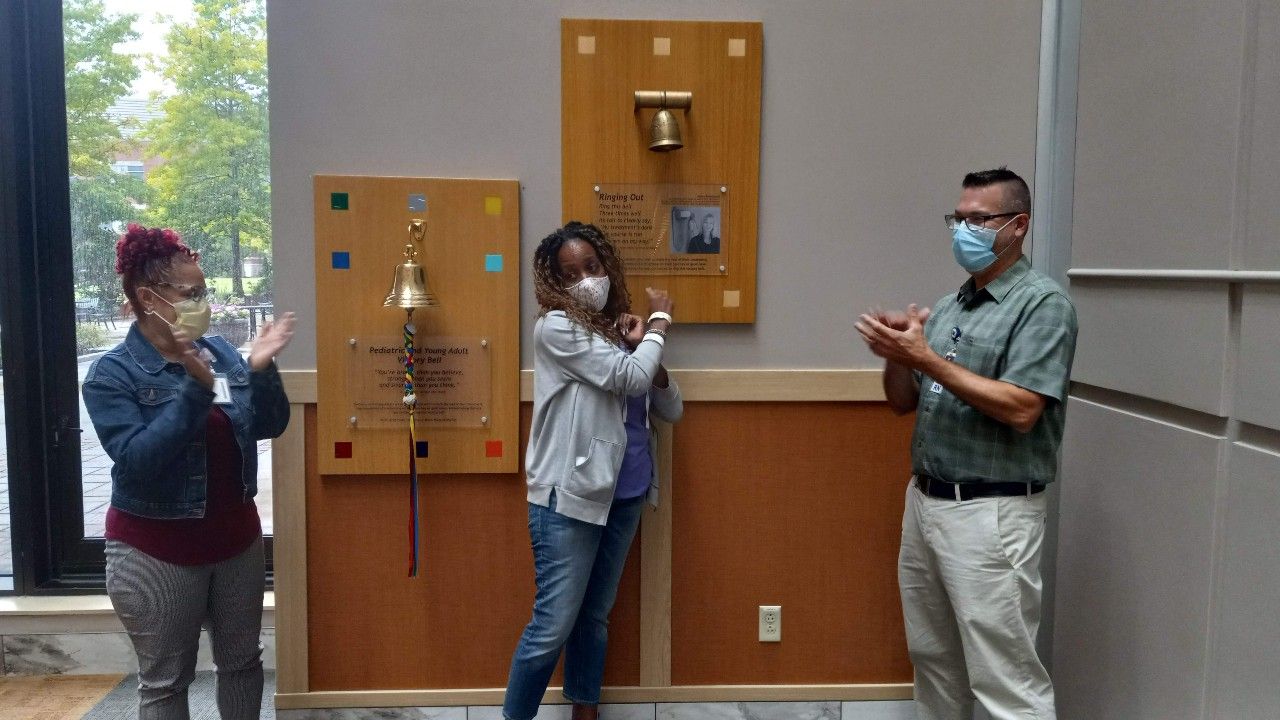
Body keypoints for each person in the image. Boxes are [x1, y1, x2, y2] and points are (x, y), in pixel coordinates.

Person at [855, 168, 1077, 720]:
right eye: (959, 218)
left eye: (979, 219)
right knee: (933, 660)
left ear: (1017, 226)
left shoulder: (1042, 305)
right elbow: (903, 403)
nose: (963, 229)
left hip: (992, 514)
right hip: (927, 503)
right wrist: (896, 356)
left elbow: (1024, 409)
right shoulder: (952, 304)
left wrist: (925, 358)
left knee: (1005, 678)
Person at [82, 224, 294, 720]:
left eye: (205, 291)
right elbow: (139, 462)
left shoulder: (217, 352)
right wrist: (195, 390)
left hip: (235, 542)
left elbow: (269, 424)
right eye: (191, 293)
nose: (204, 303)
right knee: (166, 681)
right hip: (156, 550)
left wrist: (262, 370)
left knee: (243, 664)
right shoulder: (113, 375)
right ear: (149, 298)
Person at [504, 221, 682, 720]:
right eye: (571, 273)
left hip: (625, 495)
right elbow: (628, 378)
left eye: (592, 266)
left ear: (607, 268)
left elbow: (670, 407)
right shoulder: (557, 328)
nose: (585, 278)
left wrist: (646, 343)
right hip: (570, 497)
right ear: (556, 284)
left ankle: (587, 711)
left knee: (594, 618)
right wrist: (661, 323)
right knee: (552, 626)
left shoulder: (619, 333)